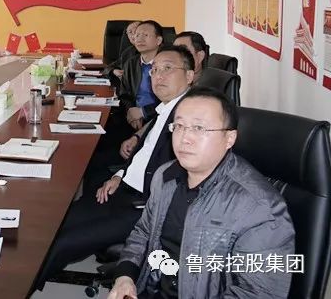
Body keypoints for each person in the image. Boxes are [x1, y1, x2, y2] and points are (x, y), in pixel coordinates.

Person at [108, 87, 295, 299]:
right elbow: (143, 232)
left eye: (199, 128)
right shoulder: (165, 176)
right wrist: (125, 277)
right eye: (179, 126)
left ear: (229, 138)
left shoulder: (259, 209)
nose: (184, 138)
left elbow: (257, 293)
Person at [36, 45, 195, 289]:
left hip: (143, 208)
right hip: (123, 189)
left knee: (61, 243)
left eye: (167, 68)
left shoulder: (189, 118)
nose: (158, 76)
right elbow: (144, 155)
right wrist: (119, 175)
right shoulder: (167, 108)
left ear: (190, 75)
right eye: (154, 70)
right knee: (53, 225)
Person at [118, 20, 165, 131]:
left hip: (159, 119)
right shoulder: (131, 63)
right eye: (137, 35)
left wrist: (143, 112)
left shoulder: (168, 66)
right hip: (132, 118)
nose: (139, 39)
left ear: (158, 40)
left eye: (145, 35)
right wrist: (131, 112)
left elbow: (172, 99)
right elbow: (124, 94)